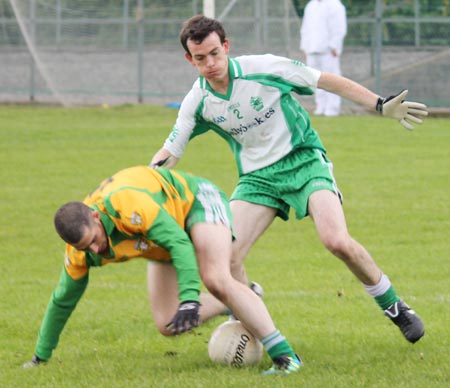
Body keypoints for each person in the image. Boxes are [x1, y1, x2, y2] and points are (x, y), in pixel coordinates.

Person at [150, 15, 428, 346]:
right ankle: (247, 309)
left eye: (214, 54)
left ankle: (394, 305)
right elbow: (171, 150)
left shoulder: (264, 68)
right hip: (258, 179)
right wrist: (141, 183)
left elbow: (325, 80)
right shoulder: (198, 101)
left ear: (226, 47)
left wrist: (379, 104)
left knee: (335, 240)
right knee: (227, 259)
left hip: (305, 160)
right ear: (189, 59)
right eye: (200, 58)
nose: (210, 64)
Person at [22, 166, 301, 375]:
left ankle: (286, 359)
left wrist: (191, 297)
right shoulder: (80, 253)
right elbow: (62, 302)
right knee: (168, 323)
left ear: (95, 216)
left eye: (94, 240)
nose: (94, 250)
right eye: (85, 247)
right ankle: (244, 295)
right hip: (159, 240)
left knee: (215, 278)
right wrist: (39, 357)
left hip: (195, 202)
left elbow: (179, 242)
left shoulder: (126, 205)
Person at [300, 0, 347, 116]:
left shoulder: (335, 5)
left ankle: (332, 108)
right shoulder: (310, 6)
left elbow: (339, 27)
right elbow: (305, 28)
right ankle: (320, 107)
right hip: (311, 49)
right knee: (315, 80)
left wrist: (335, 45)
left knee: (332, 79)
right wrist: (305, 46)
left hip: (328, 50)